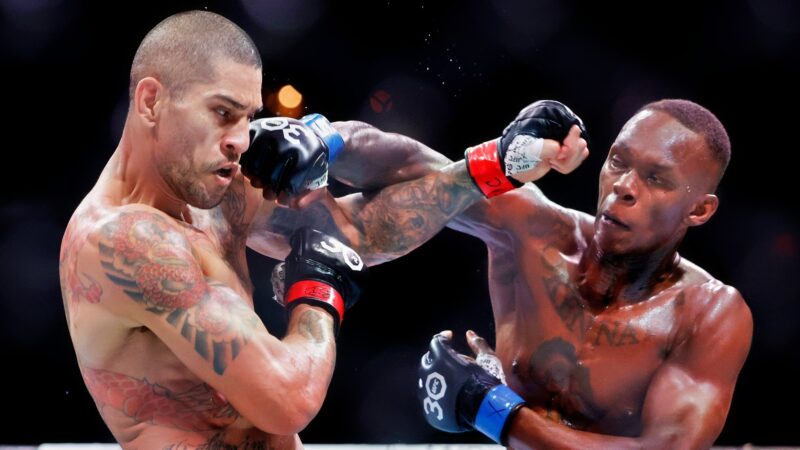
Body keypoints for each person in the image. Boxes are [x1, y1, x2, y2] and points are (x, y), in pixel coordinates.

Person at [58, 10, 587, 448]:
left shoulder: (216, 191)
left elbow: (357, 232)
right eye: (221, 113)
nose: (239, 139)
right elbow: (287, 399)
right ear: (151, 101)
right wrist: (317, 290)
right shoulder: (125, 239)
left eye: (246, 117)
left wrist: (491, 165)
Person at [413, 99, 753, 449]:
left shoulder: (708, 313)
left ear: (699, 210)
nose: (624, 186)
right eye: (618, 162)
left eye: (656, 178)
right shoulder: (531, 230)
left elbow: (667, 449)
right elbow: (402, 168)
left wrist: (487, 406)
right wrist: (498, 157)